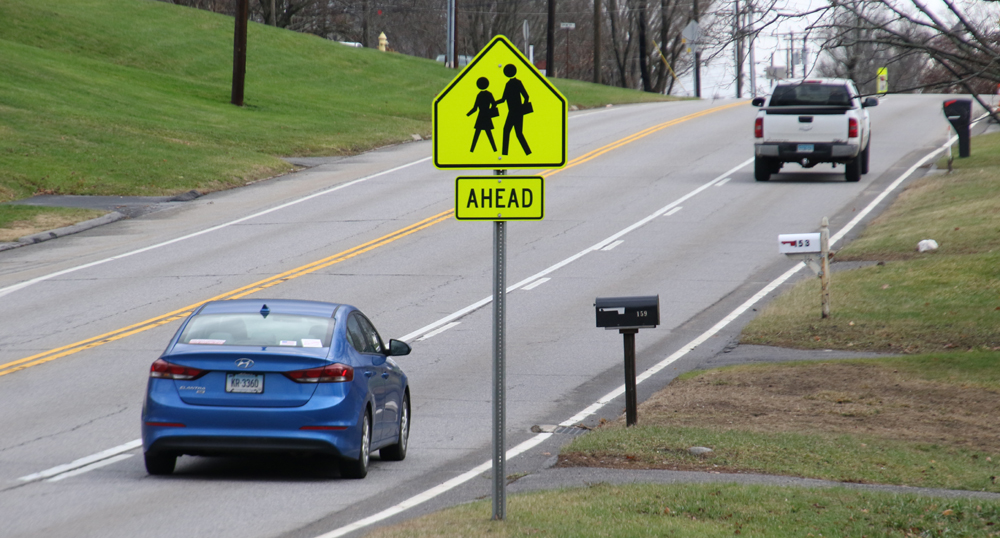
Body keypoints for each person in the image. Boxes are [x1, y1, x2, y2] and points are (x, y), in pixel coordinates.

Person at [495, 64, 532, 156]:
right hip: (516, 112)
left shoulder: (509, 84)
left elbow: (503, 99)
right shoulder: (516, 83)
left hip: (513, 112)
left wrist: (495, 103)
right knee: (516, 132)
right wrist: (522, 107)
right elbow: (526, 97)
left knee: (509, 131)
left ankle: (505, 153)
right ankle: (526, 152)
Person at [467, 77, 498, 152]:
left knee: (477, 134)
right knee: (488, 134)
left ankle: (472, 150)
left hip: (481, 116)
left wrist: (468, 114)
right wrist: (490, 111)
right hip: (487, 116)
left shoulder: (479, 95)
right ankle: (495, 149)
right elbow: (494, 104)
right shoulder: (489, 94)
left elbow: (475, 108)